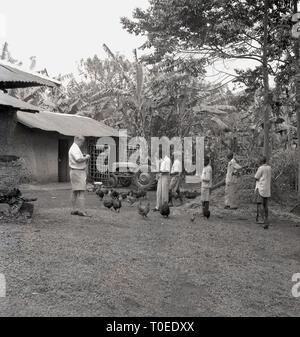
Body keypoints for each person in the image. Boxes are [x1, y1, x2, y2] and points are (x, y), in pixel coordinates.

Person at [68, 136, 90, 216]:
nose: (82, 144)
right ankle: (82, 211)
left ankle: (73, 210)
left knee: (75, 191)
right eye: (82, 142)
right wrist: (86, 157)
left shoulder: (74, 147)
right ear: (78, 140)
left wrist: (83, 156)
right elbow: (78, 159)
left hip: (75, 171)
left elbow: (78, 158)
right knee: (81, 191)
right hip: (78, 172)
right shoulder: (74, 148)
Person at [254, 156, 272, 229]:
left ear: (261, 161)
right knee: (265, 205)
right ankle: (266, 219)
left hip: (260, 188)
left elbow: (256, 177)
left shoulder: (261, 168)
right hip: (267, 188)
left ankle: (263, 220)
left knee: (260, 204)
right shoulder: (269, 168)